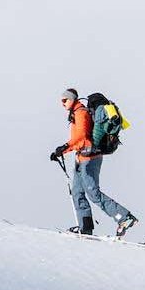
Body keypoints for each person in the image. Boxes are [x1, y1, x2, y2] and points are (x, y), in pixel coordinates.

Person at [50, 88, 136, 236]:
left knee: (93, 193)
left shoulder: (81, 113)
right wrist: (63, 150)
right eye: (61, 100)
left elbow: (82, 137)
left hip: (90, 159)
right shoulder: (75, 114)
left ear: (73, 99)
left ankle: (125, 218)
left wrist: (63, 148)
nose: (62, 103)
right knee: (77, 193)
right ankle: (86, 228)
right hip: (81, 157)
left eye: (65, 100)